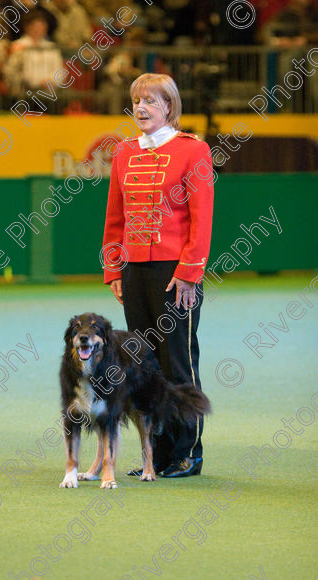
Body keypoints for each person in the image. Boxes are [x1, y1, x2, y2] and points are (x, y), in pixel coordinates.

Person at [102, 73, 214, 478]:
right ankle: (157, 455)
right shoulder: (123, 154)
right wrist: (114, 267)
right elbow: (115, 218)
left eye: (151, 100)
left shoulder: (193, 151)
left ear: (169, 106)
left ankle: (188, 454)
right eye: (136, 101)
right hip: (135, 271)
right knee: (143, 367)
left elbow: (202, 220)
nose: (141, 108)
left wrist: (190, 273)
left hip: (175, 273)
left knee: (178, 364)